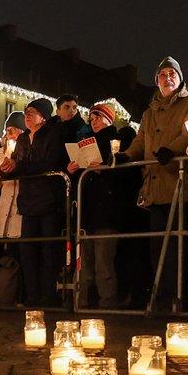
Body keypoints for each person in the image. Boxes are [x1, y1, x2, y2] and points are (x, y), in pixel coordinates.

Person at [119, 57, 188, 309]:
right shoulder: (149, 112)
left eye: (172, 74)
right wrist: (126, 155)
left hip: (181, 184)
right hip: (155, 187)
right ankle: (164, 297)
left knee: (182, 247)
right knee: (159, 247)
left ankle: (185, 298)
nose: (167, 78)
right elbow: (140, 141)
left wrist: (172, 149)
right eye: (162, 75)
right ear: (156, 81)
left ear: (179, 78)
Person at [9, 96, 88, 308]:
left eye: (32, 112)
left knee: (48, 250)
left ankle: (47, 295)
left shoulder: (54, 134)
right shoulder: (23, 139)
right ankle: (32, 295)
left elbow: (49, 163)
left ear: (43, 117)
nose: (27, 116)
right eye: (26, 112)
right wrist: (4, 168)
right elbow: (16, 161)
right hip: (27, 201)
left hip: (48, 200)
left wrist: (20, 168)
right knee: (28, 250)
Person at [71, 99, 136, 309]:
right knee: (85, 264)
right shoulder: (86, 142)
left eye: (98, 116)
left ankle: (107, 303)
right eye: (91, 118)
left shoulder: (119, 140)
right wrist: (74, 169)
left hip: (108, 210)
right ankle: (83, 303)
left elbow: (124, 171)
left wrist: (105, 168)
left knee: (104, 263)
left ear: (108, 118)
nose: (93, 121)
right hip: (89, 211)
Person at [0, 115, 26, 305]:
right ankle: (6, 295)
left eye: (12, 129)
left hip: (20, 208)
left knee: (22, 256)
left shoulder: (26, 150)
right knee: (7, 256)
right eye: (7, 130)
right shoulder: (1, 153)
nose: (8, 133)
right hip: (4, 210)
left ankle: (20, 297)